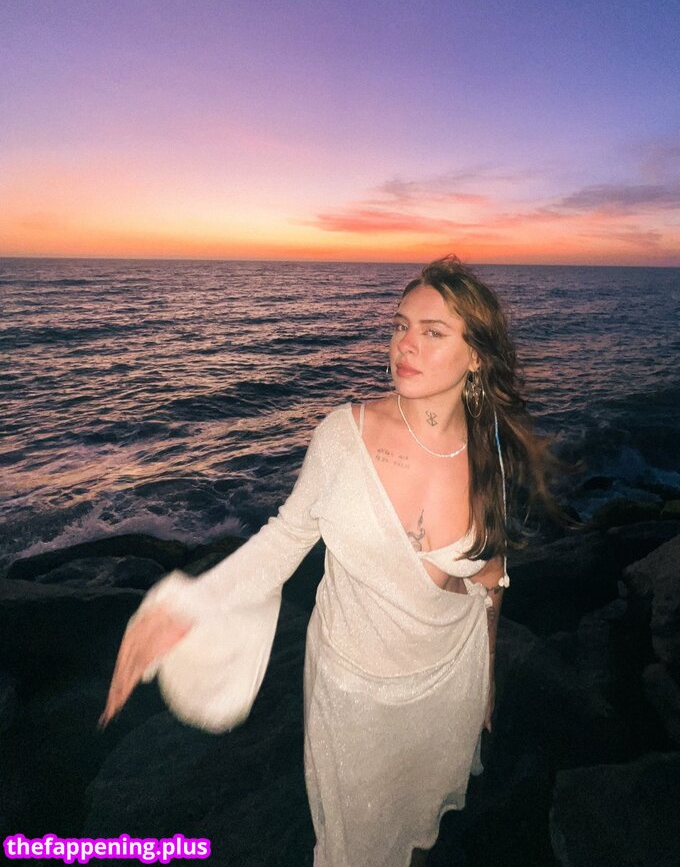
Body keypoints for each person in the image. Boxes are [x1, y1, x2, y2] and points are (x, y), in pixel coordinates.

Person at [100, 255, 558, 867]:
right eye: (400, 326)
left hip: (449, 676)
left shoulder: (486, 452)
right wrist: (188, 607)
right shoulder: (346, 434)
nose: (405, 344)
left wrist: (488, 678)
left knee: (418, 820)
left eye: (432, 332)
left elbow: (491, 578)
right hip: (353, 686)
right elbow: (287, 536)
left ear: (476, 356)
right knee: (352, 843)